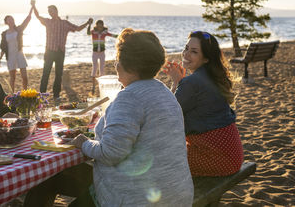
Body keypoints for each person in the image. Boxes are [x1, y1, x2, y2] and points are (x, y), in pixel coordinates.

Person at [24, 28, 194, 206]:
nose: (115, 64)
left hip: (137, 198)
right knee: (55, 179)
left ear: (128, 64)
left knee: (47, 181)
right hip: (175, 193)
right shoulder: (163, 91)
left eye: (117, 58)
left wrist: (83, 142)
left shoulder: (130, 97)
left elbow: (110, 153)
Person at [163, 31, 244, 176]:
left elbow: (168, 114)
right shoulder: (212, 77)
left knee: (160, 160)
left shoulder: (192, 82)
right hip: (233, 155)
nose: (186, 54)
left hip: (217, 158)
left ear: (206, 58)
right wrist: (179, 83)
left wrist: (177, 82)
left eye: (193, 52)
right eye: (186, 48)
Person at [30, 0, 93, 102]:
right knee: (45, 73)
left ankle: (56, 95)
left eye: (51, 11)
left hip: (60, 52)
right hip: (49, 51)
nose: (50, 13)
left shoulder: (64, 23)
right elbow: (37, 16)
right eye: (49, 11)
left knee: (58, 75)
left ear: (56, 11)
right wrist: (33, 6)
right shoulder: (48, 22)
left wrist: (87, 23)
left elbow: (77, 28)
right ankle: (41, 95)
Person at [0, 5, 33, 92]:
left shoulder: (19, 29)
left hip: (20, 54)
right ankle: (12, 94)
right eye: (9, 20)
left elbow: (27, 20)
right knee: (12, 78)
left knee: (24, 77)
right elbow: (3, 47)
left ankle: (25, 93)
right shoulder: (4, 34)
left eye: (12, 19)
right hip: (10, 56)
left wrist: (32, 7)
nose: (11, 21)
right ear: (6, 22)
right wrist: (0, 59)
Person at [87, 19, 118, 94]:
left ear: (103, 26)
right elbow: (88, 33)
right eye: (98, 25)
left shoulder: (105, 33)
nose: (100, 27)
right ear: (96, 26)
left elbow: (114, 35)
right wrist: (89, 25)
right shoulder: (93, 32)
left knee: (102, 69)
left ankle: (102, 86)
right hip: (95, 53)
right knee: (94, 68)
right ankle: (93, 87)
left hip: (102, 53)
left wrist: (122, 35)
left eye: (101, 26)